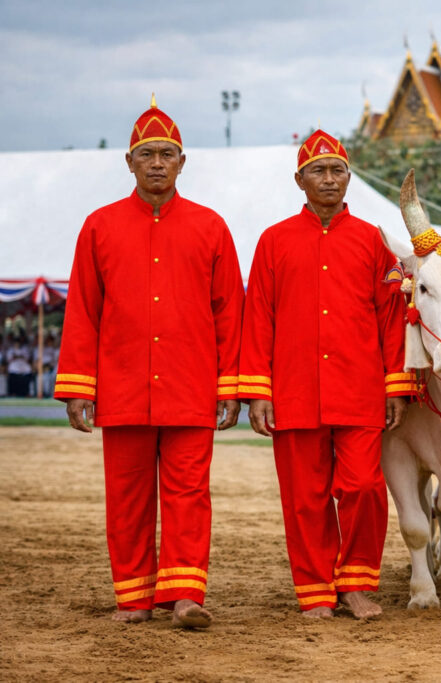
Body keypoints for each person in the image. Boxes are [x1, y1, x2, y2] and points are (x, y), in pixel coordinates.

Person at [55, 96, 245, 628]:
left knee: (189, 494)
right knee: (127, 496)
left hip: (191, 387)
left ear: (183, 162)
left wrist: (231, 386)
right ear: (129, 162)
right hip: (122, 387)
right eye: (147, 154)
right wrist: (79, 386)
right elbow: (83, 310)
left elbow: (230, 312)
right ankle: (134, 597)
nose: (157, 163)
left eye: (167, 154)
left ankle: (185, 595)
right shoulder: (99, 226)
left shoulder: (211, 227)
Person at [239, 129, 415, 620]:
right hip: (293, 391)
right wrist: (258, 390)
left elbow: (391, 318)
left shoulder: (372, 241)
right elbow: (258, 318)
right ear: (300, 180)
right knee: (305, 497)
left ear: (349, 178)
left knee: (364, 487)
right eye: (318, 171)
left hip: (360, 389)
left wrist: (396, 384)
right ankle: (315, 589)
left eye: (338, 170)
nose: (329, 179)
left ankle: (355, 585)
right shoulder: (273, 241)